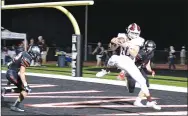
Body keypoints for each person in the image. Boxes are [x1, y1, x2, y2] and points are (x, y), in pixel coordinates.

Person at [96, 23, 161, 110]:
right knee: (111, 56)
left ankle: (149, 101)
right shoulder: (122, 35)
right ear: (128, 31)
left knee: (142, 82)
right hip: (119, 58)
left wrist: (127, 45)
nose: (135, 35)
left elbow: (134, 54)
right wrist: (116, 41)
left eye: (136, 33)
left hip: (130, 63)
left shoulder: (139, 40)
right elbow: (112, 45)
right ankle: (105, 70)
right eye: (133, 33)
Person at [1, 46, 41, 112]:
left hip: (10, 73)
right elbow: (22, 73)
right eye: (36, 54)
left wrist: (9, 78)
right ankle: (15, 106)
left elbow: (10, 64)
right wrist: (25, 85)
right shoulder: (28, 58)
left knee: (21, 89)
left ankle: (6, 90)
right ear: (34, 53)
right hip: (12, 74)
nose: (37, 56)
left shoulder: (23, 53)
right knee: (26, 90)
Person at [124, 40, 156, 107]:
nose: (149, 49)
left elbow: (147, 62)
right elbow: (131, 59)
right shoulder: (141, 53)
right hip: (132, 68)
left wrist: (150, 70)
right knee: (131, 89)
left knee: (146, 84)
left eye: (151, 47)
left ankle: (138, 101)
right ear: (145, 46)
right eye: (148, 47)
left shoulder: (151, 53)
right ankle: (127, 78)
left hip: (140, 69)